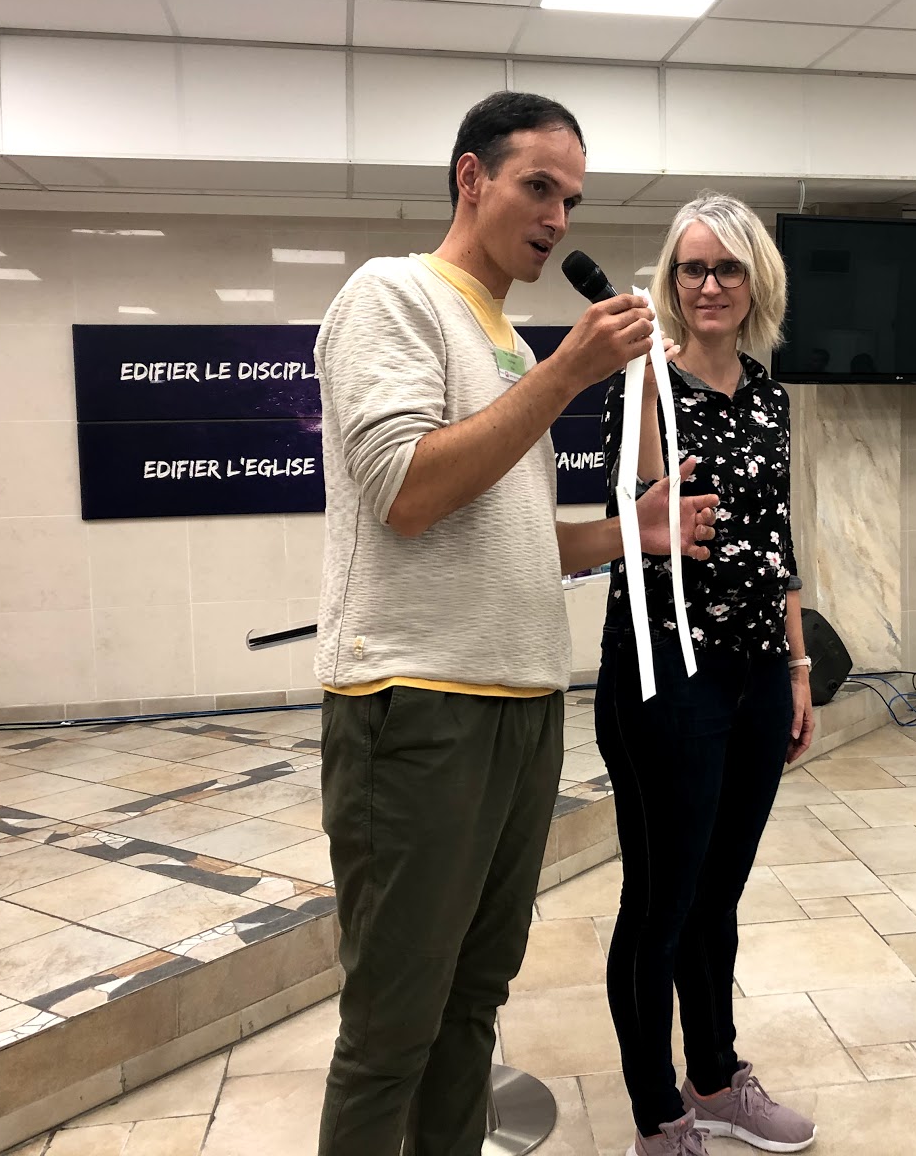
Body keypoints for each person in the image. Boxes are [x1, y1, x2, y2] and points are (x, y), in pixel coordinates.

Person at [310, 91, 718, 1156]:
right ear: (471, 178)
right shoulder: (392, 295)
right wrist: (568, 371)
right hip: (417, 703)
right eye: (538, 186)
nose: (557, 217)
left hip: (523, 703)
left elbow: (516, 539)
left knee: (472, 1002)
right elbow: (406, 492)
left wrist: (632, 531)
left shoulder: (502, 336)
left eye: (571, 198)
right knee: (393, 1025)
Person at [596, 192, 817, 1156]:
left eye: (728, 267)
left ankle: (717, 1079)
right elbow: (643, 506)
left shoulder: (768, 394)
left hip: (757, 673)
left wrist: (798, 668)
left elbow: (778, 544)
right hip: (667, 671)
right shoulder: (643, 384)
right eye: (693, 268)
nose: (710, 284)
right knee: (661, 901)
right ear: (671, 280)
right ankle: (659, 1114)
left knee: (719, 893)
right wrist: (646, 374)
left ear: (756, 280)